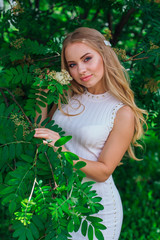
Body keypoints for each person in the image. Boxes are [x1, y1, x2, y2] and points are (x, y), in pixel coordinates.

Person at [34, 27, 146, 239]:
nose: (81, 70)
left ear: (104, 55)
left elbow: (104, 171)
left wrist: (63, 151)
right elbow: (42, 136)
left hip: (96, 211)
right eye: (73, 65)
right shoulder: (67, 98)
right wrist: (40, 97)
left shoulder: (122, 112)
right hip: (60, 203)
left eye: (87, 59)